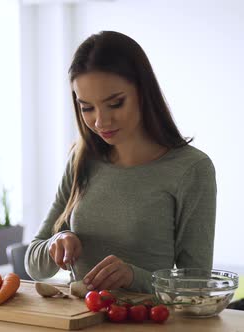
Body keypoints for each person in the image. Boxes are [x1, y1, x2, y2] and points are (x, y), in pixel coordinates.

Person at [24, 31, 216, 294]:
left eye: (115, 104)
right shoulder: (82, 158)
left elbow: (196, 286)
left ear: (143, 92)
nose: (101, 122)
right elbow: (34, 263)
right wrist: (56, 243)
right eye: (87, 108)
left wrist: (133, 278)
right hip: (79, 322)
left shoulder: (191, 169)